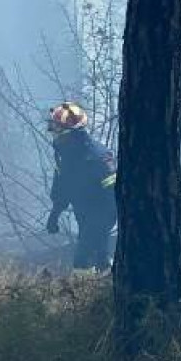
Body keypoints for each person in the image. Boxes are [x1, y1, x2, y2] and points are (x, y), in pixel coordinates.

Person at [45, 101, 117, 270]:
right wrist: (55, 213)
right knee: (101, 261)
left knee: (82, 262)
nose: (53, 133)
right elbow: (62, 185)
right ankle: (106, 282)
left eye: (57, 129)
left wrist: (99, 225)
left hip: (101, 215)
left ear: (71, 133)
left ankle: (81, 291)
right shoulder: (64, 154)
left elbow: (113, 195)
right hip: (83, 214)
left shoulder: (98, 157)